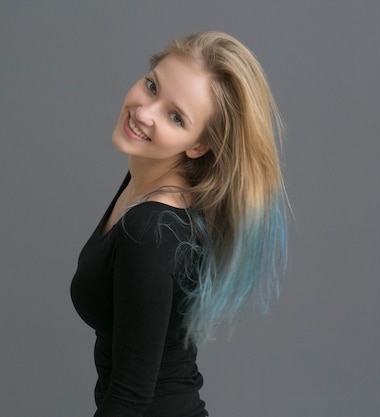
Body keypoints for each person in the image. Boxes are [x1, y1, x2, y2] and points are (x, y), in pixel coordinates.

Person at [70, 31, 288, 417]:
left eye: (175, 116)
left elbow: (130, 397)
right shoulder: (146, 179)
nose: (143, 112)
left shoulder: (149, 231)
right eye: (151, 86)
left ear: (199, 144)